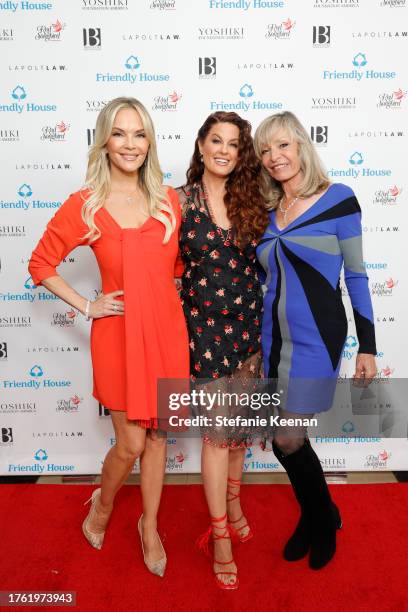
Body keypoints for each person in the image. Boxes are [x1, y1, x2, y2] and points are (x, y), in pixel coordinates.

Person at [28, 96, 189, 578]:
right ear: (104, 140)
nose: (130, 144)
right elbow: (40, 264)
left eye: (140, 134)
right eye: (120, 133)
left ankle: (150, 525)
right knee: (131, 445)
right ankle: (103, 503)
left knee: (159, 439)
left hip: (165, 332)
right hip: (117, 334)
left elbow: (176, 267)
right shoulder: (86, 204)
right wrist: (87, 305)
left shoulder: (169, 199)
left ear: (150, 142)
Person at [254, 111, 377, 569]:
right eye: (265, 150)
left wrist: (368, 345)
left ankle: (322, 520)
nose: (274, 157)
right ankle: (317, 512)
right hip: (273, 341)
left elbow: (358, 277)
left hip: (317, 340)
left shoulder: (339, 200)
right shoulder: (266, 212)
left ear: (302, 146)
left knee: (287, 436)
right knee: (284, 436)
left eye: (282, 145)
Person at [177, 111, 269, 589]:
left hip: (248, 331)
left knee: (237, 436)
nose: (224, 150)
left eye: (233, 144)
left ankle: (233, 501)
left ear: (240, 153)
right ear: (200, 144)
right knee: (217, 439)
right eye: (216, 140)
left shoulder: (252, 198)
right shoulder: (177, 201)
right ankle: (219, 537)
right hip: (204, 336)